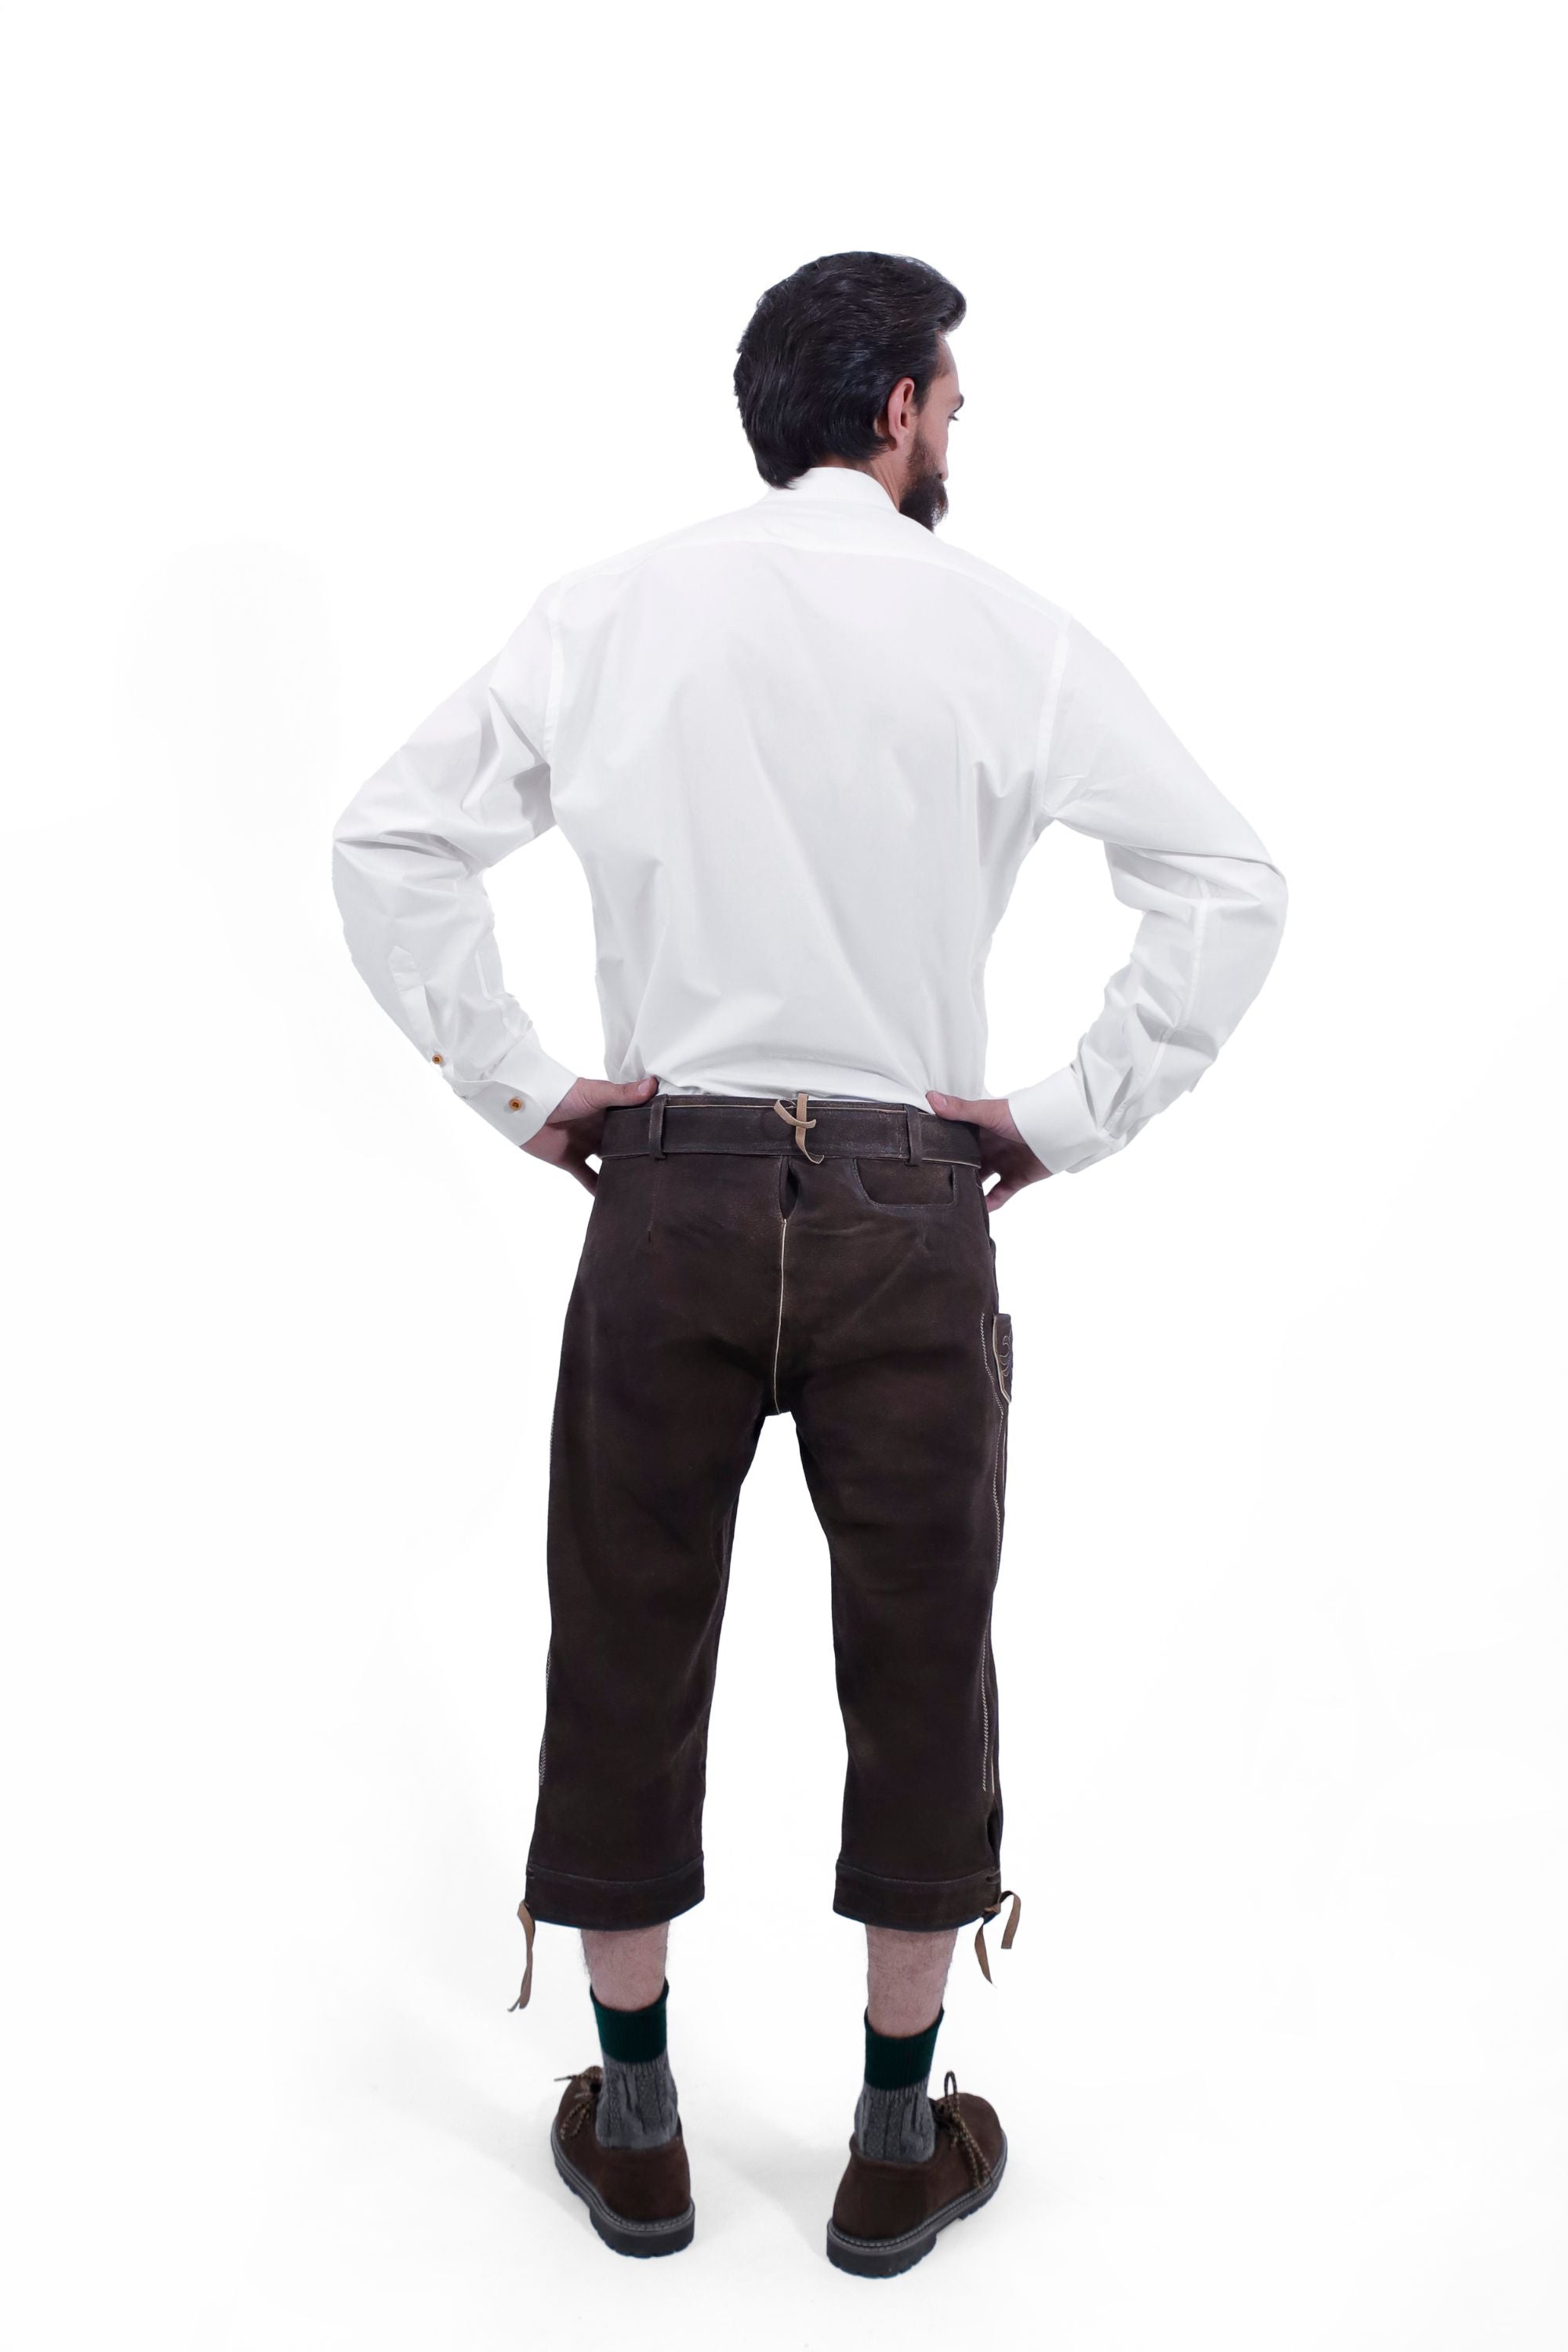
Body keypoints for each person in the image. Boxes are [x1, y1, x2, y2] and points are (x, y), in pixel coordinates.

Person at [331, 249, 1287, 2275]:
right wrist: (1057, 1114)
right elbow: (1225, 880)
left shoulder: (612, 611)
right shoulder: (1000, 634)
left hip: (664, 1188)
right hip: (906, 1210)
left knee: (626, 1636)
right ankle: (891, 2140)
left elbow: (388, 843)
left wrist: (528, 1094)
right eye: (951, 396)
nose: (958, 428)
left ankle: (644, 2119)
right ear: (894, 411)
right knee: (923, 1651)